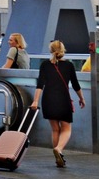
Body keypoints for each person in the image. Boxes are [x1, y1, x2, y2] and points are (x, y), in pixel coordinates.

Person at [30, 39, 84, 168]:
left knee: (55, 129)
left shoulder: (44, 65)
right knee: (66, 129)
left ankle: (57, 156)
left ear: (51, 51)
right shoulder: (69, 66)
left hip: (48, 100)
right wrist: (81, 98)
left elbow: (40, 84)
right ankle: (59, 149)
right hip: (63, 100)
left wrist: (35, 100)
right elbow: (76, 85)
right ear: (63, 51)